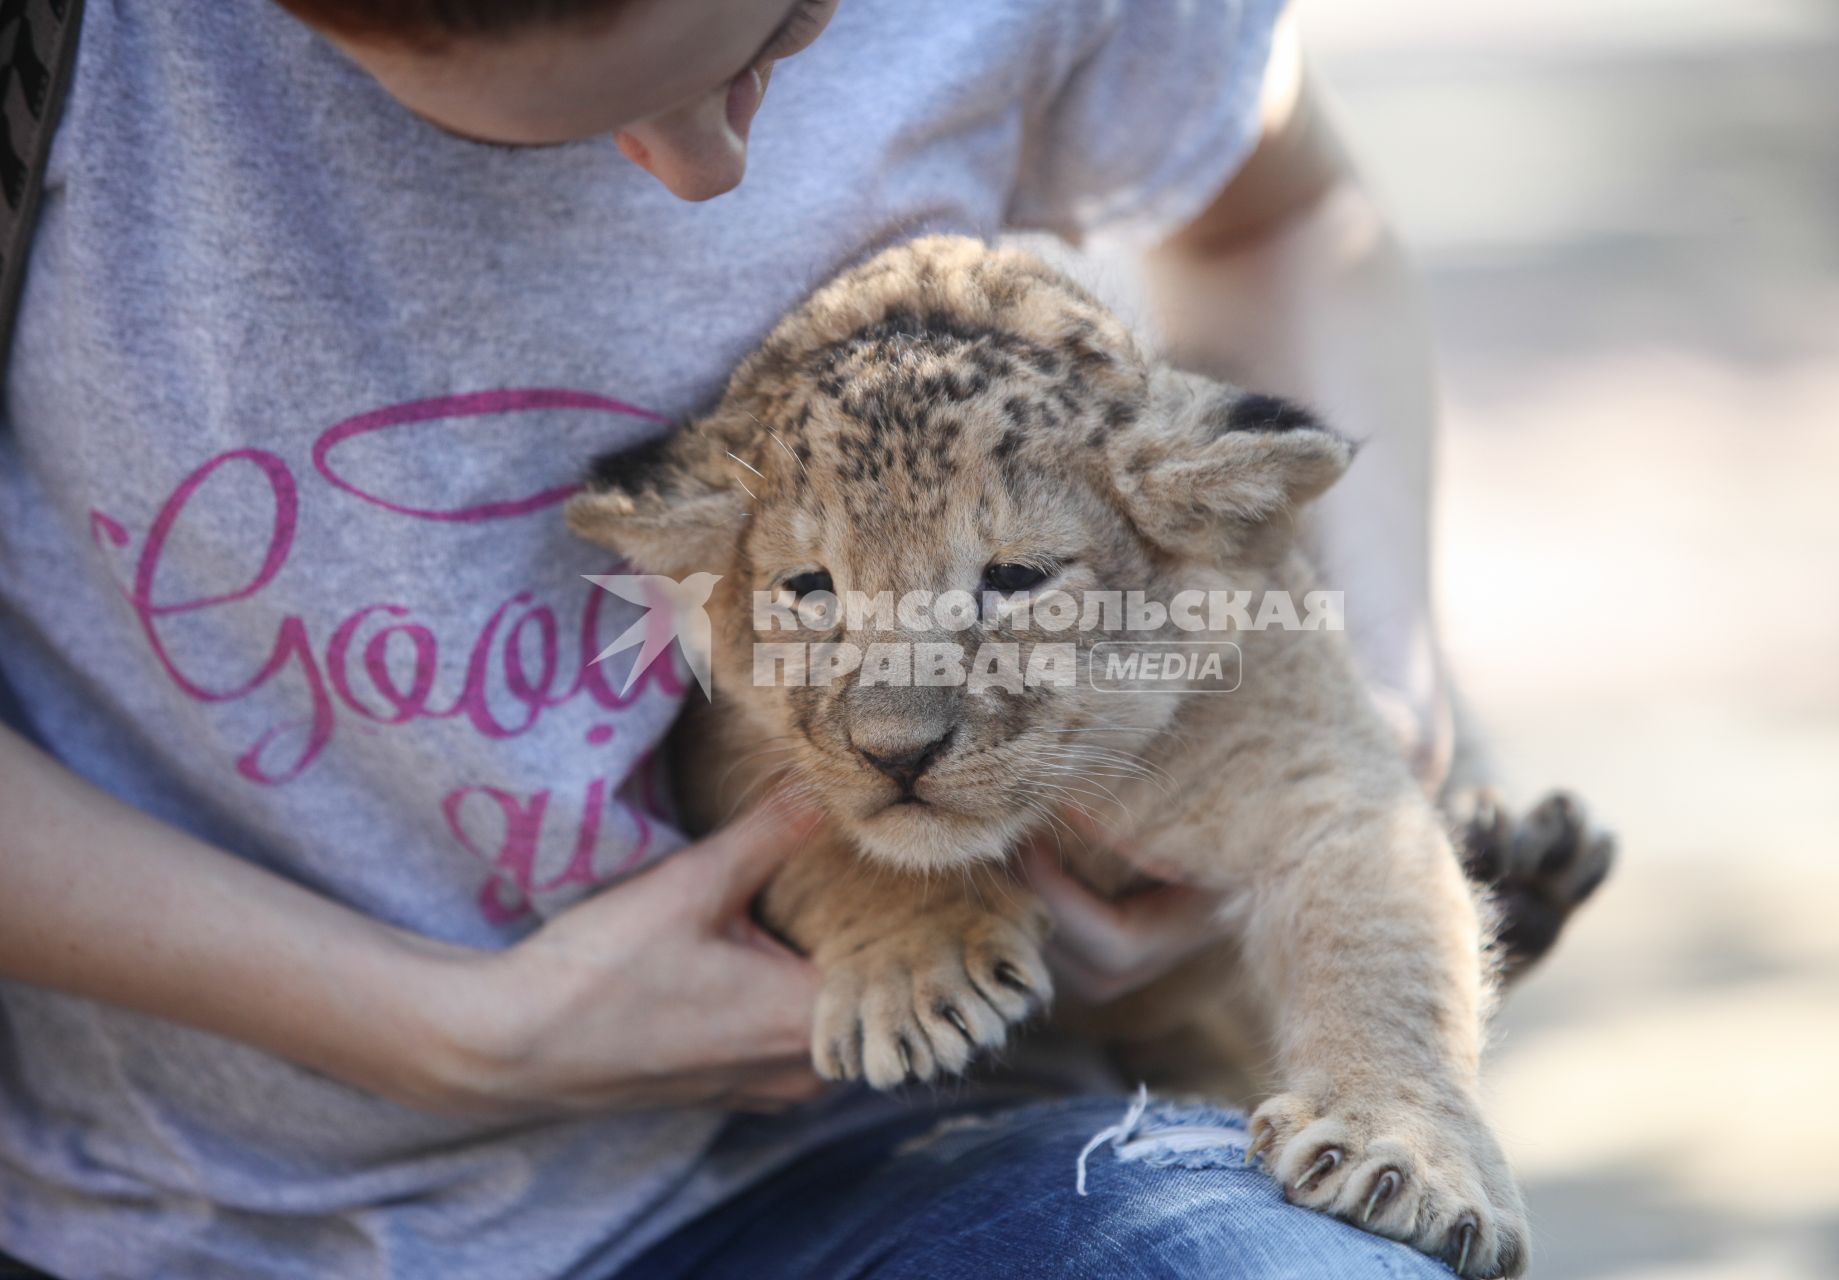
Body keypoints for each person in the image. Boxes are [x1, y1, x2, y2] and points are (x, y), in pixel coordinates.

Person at [0, 2, 1459, 1276]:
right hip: (200, 1205)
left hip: (902, 1147)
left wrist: (1374, 702)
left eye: (778, 36)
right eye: (566, 128)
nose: (707, 173)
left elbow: (1284, 216)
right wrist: (456, 1034)